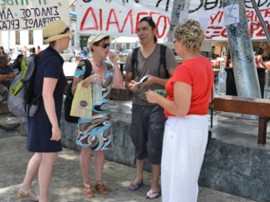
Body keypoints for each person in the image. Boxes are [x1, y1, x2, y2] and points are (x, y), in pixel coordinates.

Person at [145, 19, 214, 202]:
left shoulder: (185, 69)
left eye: (175, 40)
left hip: (183, 129)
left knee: (175, 178)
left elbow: (181, 110)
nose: (174, 44)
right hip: (198, 125)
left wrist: (157, 98)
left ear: (183, 41)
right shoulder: (206, 63)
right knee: (189, 180)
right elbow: (209, 97)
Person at [17, 20, 73, 202]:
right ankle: (44, 199)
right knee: (49, 158)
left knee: (41, 154)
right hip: (45, 116)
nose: (69, 39)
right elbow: (47, 95)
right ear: (61, 38)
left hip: (38, 113)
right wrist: (55, 126)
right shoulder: (53, 61)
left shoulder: (44, 56)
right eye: (68, 36)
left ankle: (25, 187)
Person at [125, 16, 176, 199]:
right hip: (138, 105)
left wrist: (155, 80)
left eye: (144, 29)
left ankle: (156, 183)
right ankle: (138, 177)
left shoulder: (165, 52)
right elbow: (128, 80)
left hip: (158, 106)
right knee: (138, 141)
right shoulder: (133, 54)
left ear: (155, 31)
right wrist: (131, 85)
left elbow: (175, 81)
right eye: (138, 30)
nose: (140, 33)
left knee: (155, 144)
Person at [72, 33, 123, 198]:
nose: (107, 48)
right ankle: (86, 183)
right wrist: (87, 80)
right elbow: (73, 89)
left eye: (108, 44)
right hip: (86, 113)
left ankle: (99, 181)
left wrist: (115, 63)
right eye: (104, 45)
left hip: (103, 113)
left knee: (101, 150)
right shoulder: (83, 65)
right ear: (93, 46)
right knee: (86, 149)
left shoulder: (109, 66)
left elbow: (118, 85)